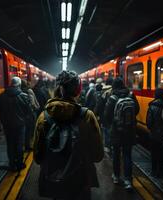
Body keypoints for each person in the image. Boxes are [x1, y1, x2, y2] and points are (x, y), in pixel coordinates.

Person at [33, 70, 104, 200]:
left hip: (54, 178)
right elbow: (98, 154)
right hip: (81, 179)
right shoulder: (87, 116)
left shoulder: (43, 117)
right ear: (78, 90)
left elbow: (38, 156)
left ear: (57, 88)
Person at [104, 77, 139, 190]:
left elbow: (107, 115)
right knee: (127, 155)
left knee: (116, 155)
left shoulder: (112, 97)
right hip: (129, 131)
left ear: (113, 86)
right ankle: (128, 180)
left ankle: (116, 176)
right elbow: (137, 109)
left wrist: (111, 124)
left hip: (116, 131)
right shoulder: (131, 95)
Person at [0, 77, 33, 171]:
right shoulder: (24, 96)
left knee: (10, 145)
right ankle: (20, 164)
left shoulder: (2, 96)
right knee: (19, 144)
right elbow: (29, 111)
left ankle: (12, 164)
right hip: (20, 125)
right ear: (19, 85)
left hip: (7, 125)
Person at [146, 88, 163, 178]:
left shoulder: (152, 106)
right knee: (162, 154)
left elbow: (149, 123)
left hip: (154, 134)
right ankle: (161, 172)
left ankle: (154, 172)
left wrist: (152, 129)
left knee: (154, 153)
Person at [21, 80, 40, 150]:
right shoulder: (29, 91)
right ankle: (28, 145)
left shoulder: (20, 91)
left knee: (25, 131)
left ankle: (24, 144)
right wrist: (37, 107)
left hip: (22, 115)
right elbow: (32, 102)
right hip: (30, 113)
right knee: (30, 130)